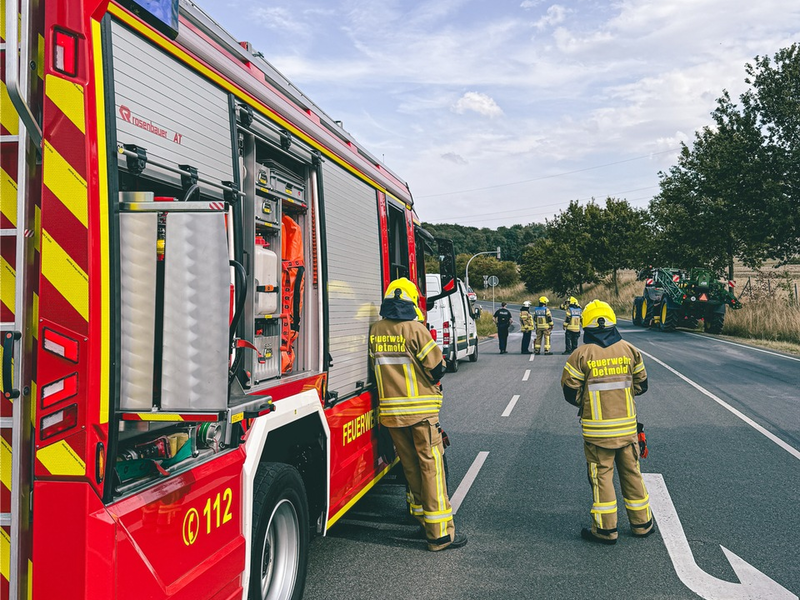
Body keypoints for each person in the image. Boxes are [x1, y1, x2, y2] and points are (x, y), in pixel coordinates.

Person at [368, 277, 467, 551]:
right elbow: (437, 368)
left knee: (410, 467)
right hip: (421, 414)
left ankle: (422, 518)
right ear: (411, 302)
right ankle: (439, 535)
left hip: (391, 414)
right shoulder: (416, 329)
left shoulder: (376, 330)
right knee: (431, 468)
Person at [560, 300, 653, 545]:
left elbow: (570, 391)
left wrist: (588, 404)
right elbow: (642, 385)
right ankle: (642, 524)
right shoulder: (630, 350)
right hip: (627, 430)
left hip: (598, 433)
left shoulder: (580, 355)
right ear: (612, 321)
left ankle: (606, 529)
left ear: (586, 325)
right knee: (632, 474)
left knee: (602, 478)